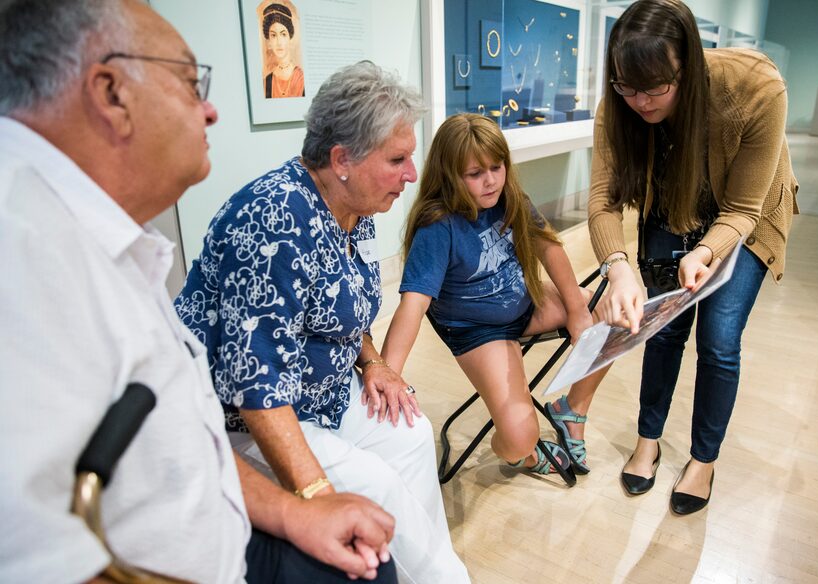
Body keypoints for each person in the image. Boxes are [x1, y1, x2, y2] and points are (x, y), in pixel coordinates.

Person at [0, 1, 398, 582]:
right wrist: (310, 491)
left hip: (230, 523)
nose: (210, 110)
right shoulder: (23, 250)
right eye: (191, 83)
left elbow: (188, 436)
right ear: (111, 92)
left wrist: (292, 513)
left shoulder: (104, 236)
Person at [175, 61, 470, 584]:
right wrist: (316, 500)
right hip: (244, 422)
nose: (412, 174)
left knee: (411, 433)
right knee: (373, 483)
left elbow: (345, 307)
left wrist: (374, 362)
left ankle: (427, 572)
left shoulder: (353, 208)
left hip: (324, 394)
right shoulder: (272, 221)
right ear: (342, 160)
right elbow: (255, 386)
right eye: (398, 159)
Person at [588, 0, 798, 514]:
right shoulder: (621, 104)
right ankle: (648, 439)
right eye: (626, 87)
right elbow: (602, 200)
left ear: (690, 65)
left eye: (655, 87)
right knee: (662, 329)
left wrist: (706, 250)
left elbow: (744, 208)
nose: (639, 101)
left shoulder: (755, 90)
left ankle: (703, 459)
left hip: (744, 216)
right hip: (670, 203)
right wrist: (618, 268)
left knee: (719, 338)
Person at [380, 113, 609, 481]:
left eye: (496, 167)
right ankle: (524, 457)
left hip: (523, 303)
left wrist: (579, 310)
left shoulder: (510, 197)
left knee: (610, 314)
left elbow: (548, 249)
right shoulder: (437, 226)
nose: (490, 181)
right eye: (475, 174)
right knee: (520, 439)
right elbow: (413, 306)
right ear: (449, 175)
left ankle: (572, 410)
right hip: (478, 330)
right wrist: (389, 375)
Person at [262, 3, 304, 98]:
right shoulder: (267, 81)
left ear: (290, 37)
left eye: (283, 34)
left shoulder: (301, 78)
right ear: (269, 42)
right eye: (273, 35)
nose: (279, 42)